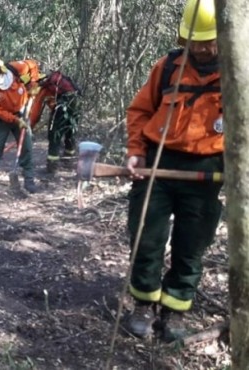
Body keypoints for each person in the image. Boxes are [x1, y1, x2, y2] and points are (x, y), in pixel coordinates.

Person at [124, 0, 222, 342]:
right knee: (145, 239)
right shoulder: (167, 68)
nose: (205, 48)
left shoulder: (239, 75)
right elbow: (139, 111)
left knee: (191, 246)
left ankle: (176, 310)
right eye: (198, 41)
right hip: (159, 162)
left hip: (209, 171)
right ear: (186, 39)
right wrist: (136, 152)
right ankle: (143, 305)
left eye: (211, 40)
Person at [0, 52, 38, 193]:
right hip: (3, 119)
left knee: (26, 147)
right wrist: (16, 120)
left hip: (22, 112)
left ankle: (29, 180)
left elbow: (33, 65)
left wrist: (33, 84)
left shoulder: (15, 68)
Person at [29, 70, 82, 173]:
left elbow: (35, 111)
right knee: (70, 132)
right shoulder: (58, 81)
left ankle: (52, 167)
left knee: (54, 135)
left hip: (62, 107)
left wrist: (30, 126)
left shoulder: (43, 88)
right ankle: (68, 160)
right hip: (76, 104)